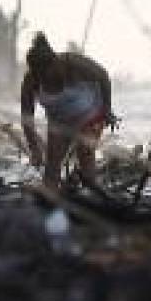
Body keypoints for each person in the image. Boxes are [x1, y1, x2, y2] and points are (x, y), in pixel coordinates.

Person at [19, 32, 116, 190]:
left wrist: (107, 109)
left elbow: (103, 76)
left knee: (85, 153)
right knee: (52, 165)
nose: (45, 79)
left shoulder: (73, 63)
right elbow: (27, 117)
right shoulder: (31, 81)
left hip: (91, 113)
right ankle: (49, 202)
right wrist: (34, 148)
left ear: (55, 62)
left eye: (47, 74)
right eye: (40, 76)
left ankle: (93, 194)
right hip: (59, 120)